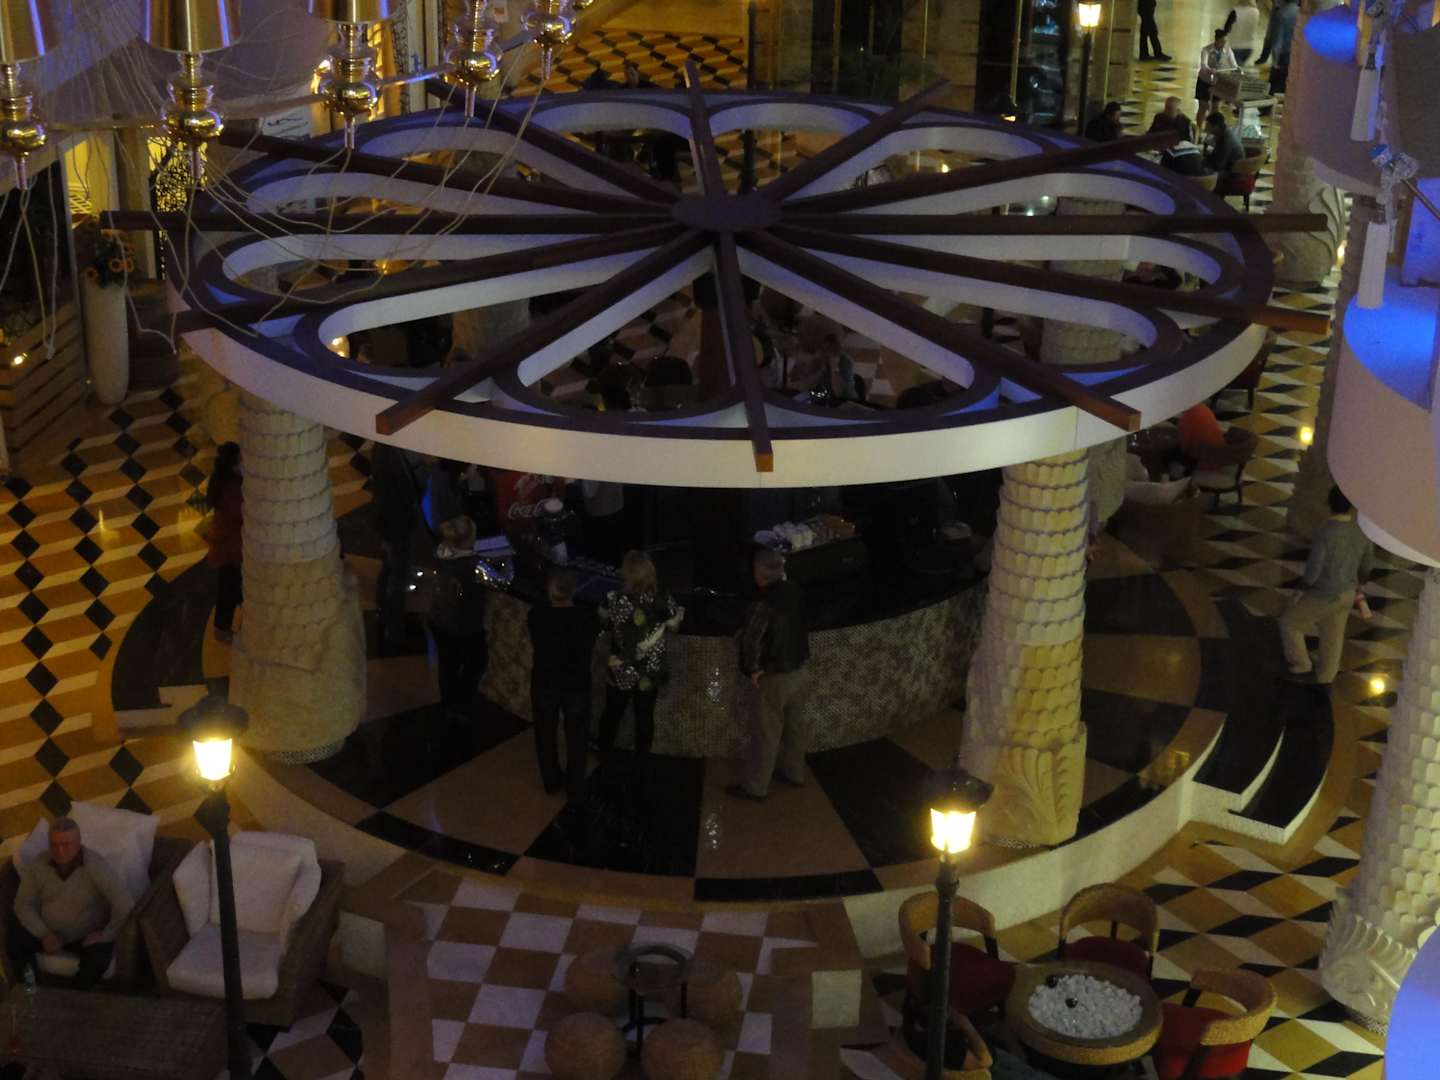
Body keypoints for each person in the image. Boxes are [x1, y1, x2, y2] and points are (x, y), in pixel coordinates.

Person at [728, 549, 812, 802]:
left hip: (774, 677)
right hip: (800, 670)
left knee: (766, 734)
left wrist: (752, 669)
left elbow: (752, 642)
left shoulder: (763, 604)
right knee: (796, 727)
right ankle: (795, 773)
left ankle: (756, 787)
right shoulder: (795, 591)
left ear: (758, 574)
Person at [12, 818, 133, 989]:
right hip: (49, 932)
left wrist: (107, 934)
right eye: (54, 844)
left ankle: (73, 995)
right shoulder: (39, 865)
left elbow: (124, 902)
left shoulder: (95, 865)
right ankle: (31, 991)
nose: (60, 851)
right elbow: (23, 903)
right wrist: (44, 933)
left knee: (98, 959)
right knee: (16, 940)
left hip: (84, 934)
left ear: (78, 843)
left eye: (66, 844)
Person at [1279, 487, 1374, 685]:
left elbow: (1314, 570)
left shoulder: (1325, 532)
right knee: (1333, 636)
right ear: (1350, 506)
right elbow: (1367, 564)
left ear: (1328, 503)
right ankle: (1326, 677)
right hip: (1348, 593)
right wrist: (1360, 585)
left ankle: (1301, 664)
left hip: (1323, 594)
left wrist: (1300, 590)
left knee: (1289, 623)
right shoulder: (1360, 531)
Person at [596, 551, 683, 766]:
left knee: (612, 713)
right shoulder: (662, 598)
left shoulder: (612, 599)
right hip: (648, 671)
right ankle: (641, 762)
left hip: (620, 668)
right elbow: (674, 625)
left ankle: (603, 755)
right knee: (644, 718)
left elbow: (604, 624)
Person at [528, 569, 600, 800]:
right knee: (578, 737)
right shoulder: (587, 617)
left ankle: (551, 781)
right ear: (573, 589)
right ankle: (574, 785)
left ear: (550, 589)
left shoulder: (536, 615)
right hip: (576, 685)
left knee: (545, 735)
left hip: (544, 683)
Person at [429, 515, 488, 717]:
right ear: (468, 539)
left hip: (439, 619)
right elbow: (501, 580)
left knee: (447, 664)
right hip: (463, 624)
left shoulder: (440, 552)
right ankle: (461, 703)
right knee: (477, 662)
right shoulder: (473, 566)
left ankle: (449, 704)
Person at [371, 443, 424, 649]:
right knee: (397, 576)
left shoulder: (385, 452)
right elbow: (390, 497)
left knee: (390, 571)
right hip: (396, 527)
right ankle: (394, 627)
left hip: (393, 525)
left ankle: (384, 613)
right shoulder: (386, 456)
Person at [205, 441, 243, 644]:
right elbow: (239, 513)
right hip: (231, 546)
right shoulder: (231, 488)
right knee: (229, 586)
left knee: (230, 584)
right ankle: (222, 628)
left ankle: (225, 625)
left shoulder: (223, 482)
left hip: (229, 543)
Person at [1196, 29, 1240, 116]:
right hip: (1205, 81)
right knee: (1203, 107)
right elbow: (1204, 65)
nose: (1224, 44)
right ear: (1216, 40)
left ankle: (1212, 123)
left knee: (1215, 108)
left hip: (1217, 83)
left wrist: (1237, 69)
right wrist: (1210, 70)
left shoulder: (1228, 50)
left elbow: (1234, 64)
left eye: (1225, 42)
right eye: (1222, 41)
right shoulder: (1206, 50)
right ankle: (1200, 124)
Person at [1203, 110, 1245, 177]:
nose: (1205, 128)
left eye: (1208, 126)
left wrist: (1203, 163)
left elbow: (1218, 165)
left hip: (1232, 172)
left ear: (1216, 126)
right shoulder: (1222, 133)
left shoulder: (1226, 139)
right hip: (1227, 165)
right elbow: (1215, 156)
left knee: (1199, 173)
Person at [1224, 0, 1261, 66]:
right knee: (1240, 67)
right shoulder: (1256, 11)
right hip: (1249, 48)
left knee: (1236, 70)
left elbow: (1226, 30)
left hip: (1235, 47)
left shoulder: (1234, 11)